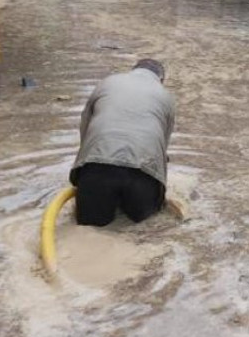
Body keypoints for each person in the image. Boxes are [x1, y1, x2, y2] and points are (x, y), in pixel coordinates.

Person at [71, 59, 176, 226]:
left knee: (88, 228)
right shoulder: (165, 96)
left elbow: (85, 130)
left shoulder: (107, 83)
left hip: (96, 167)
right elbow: (162, 150)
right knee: (143, 228)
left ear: (132, 70)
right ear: (161, 79)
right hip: (143, 174)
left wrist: (83, 172)